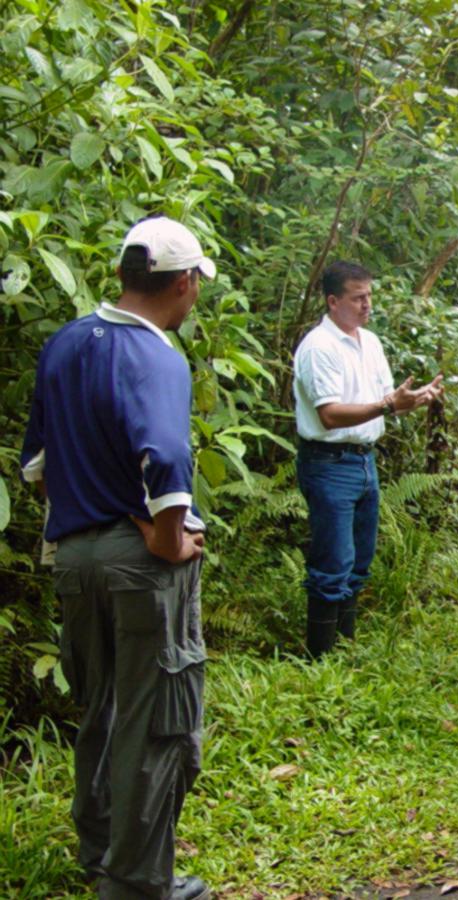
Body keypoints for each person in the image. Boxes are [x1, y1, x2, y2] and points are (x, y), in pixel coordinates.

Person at [20, 216, 214, 898]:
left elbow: (37, 466)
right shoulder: (158, 355)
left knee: (100, 708)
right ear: (184, 283)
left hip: (73, 557)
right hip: (139, 563)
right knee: (156, 720)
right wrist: (165, 537)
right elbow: (163, 456)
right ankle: (135, 882)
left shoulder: (66, 344)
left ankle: (99, 848)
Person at [293, 261, 443, 658]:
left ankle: (345, 648)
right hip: (328, 462)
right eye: (358, 298)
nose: (366, 305)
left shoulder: (370, 342)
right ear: (332, 301)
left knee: (359, 558)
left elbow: (382, 402)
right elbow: (330, 413)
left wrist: (412, 400)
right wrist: (389, 405)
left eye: (369, 296)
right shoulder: (318, 347)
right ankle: (320, 659)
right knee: (333, 563)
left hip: (364, 461)